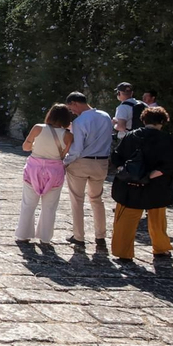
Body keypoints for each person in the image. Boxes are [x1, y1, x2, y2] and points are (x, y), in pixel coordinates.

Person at [110, 106, 173, 261]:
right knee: (157, 219)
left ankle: (123, 252)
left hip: (129, 184)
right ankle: (161, 248)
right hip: (156, 185)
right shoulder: (165, 139)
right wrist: (150, 176)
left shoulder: (130, 136)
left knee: (125, 219)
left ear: (143, 120)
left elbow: (116, 157)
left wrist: (127, 172)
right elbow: (170, 164)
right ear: (162, 121)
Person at [62, 91, 114, 250]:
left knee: (77, 200)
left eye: (71, 109)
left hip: (82, 162)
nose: (72, 112)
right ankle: (100, 236)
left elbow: (76, 149)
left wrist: (64, 162)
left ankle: (79, 237)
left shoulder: (80, 121)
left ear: (74, 103)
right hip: (101, 162)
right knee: (97, 199)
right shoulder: (105, 116)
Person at [17, 105, 75, 244]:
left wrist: (36, 146)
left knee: (28, 203)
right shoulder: (68, 135)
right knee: (50, 206)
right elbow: (63, 155)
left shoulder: (38, 128)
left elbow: (25, 147)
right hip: (54, 170)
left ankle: (23, 234)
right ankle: (45, 237)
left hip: (34, 169)